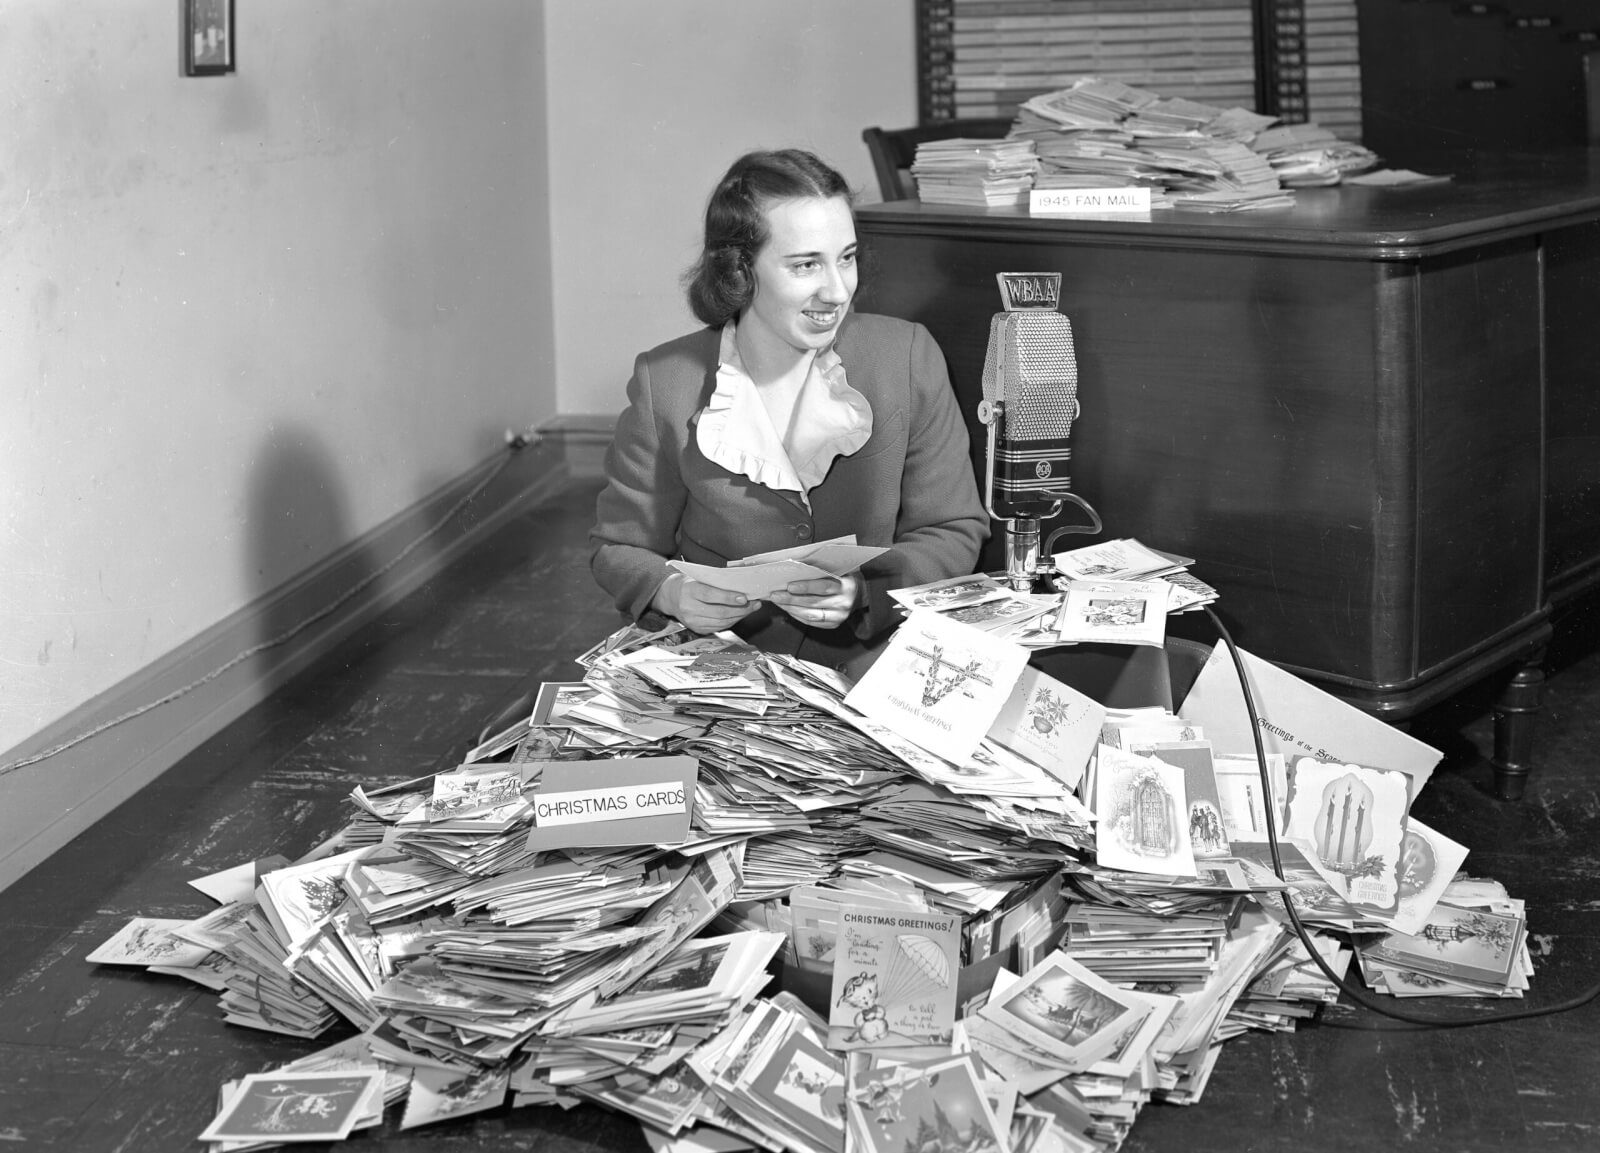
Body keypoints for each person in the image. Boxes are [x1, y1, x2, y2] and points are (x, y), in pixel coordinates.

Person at [589, 148, 988, 678]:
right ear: (740, 271)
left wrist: (863, 593)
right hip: (724, 671)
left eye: (845, 257)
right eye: (806, 265)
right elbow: (620, 548)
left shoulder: (907, 355)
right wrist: (673, 592)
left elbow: (952, 526)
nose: (838, 290)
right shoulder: (666, 380)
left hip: (875, 663)